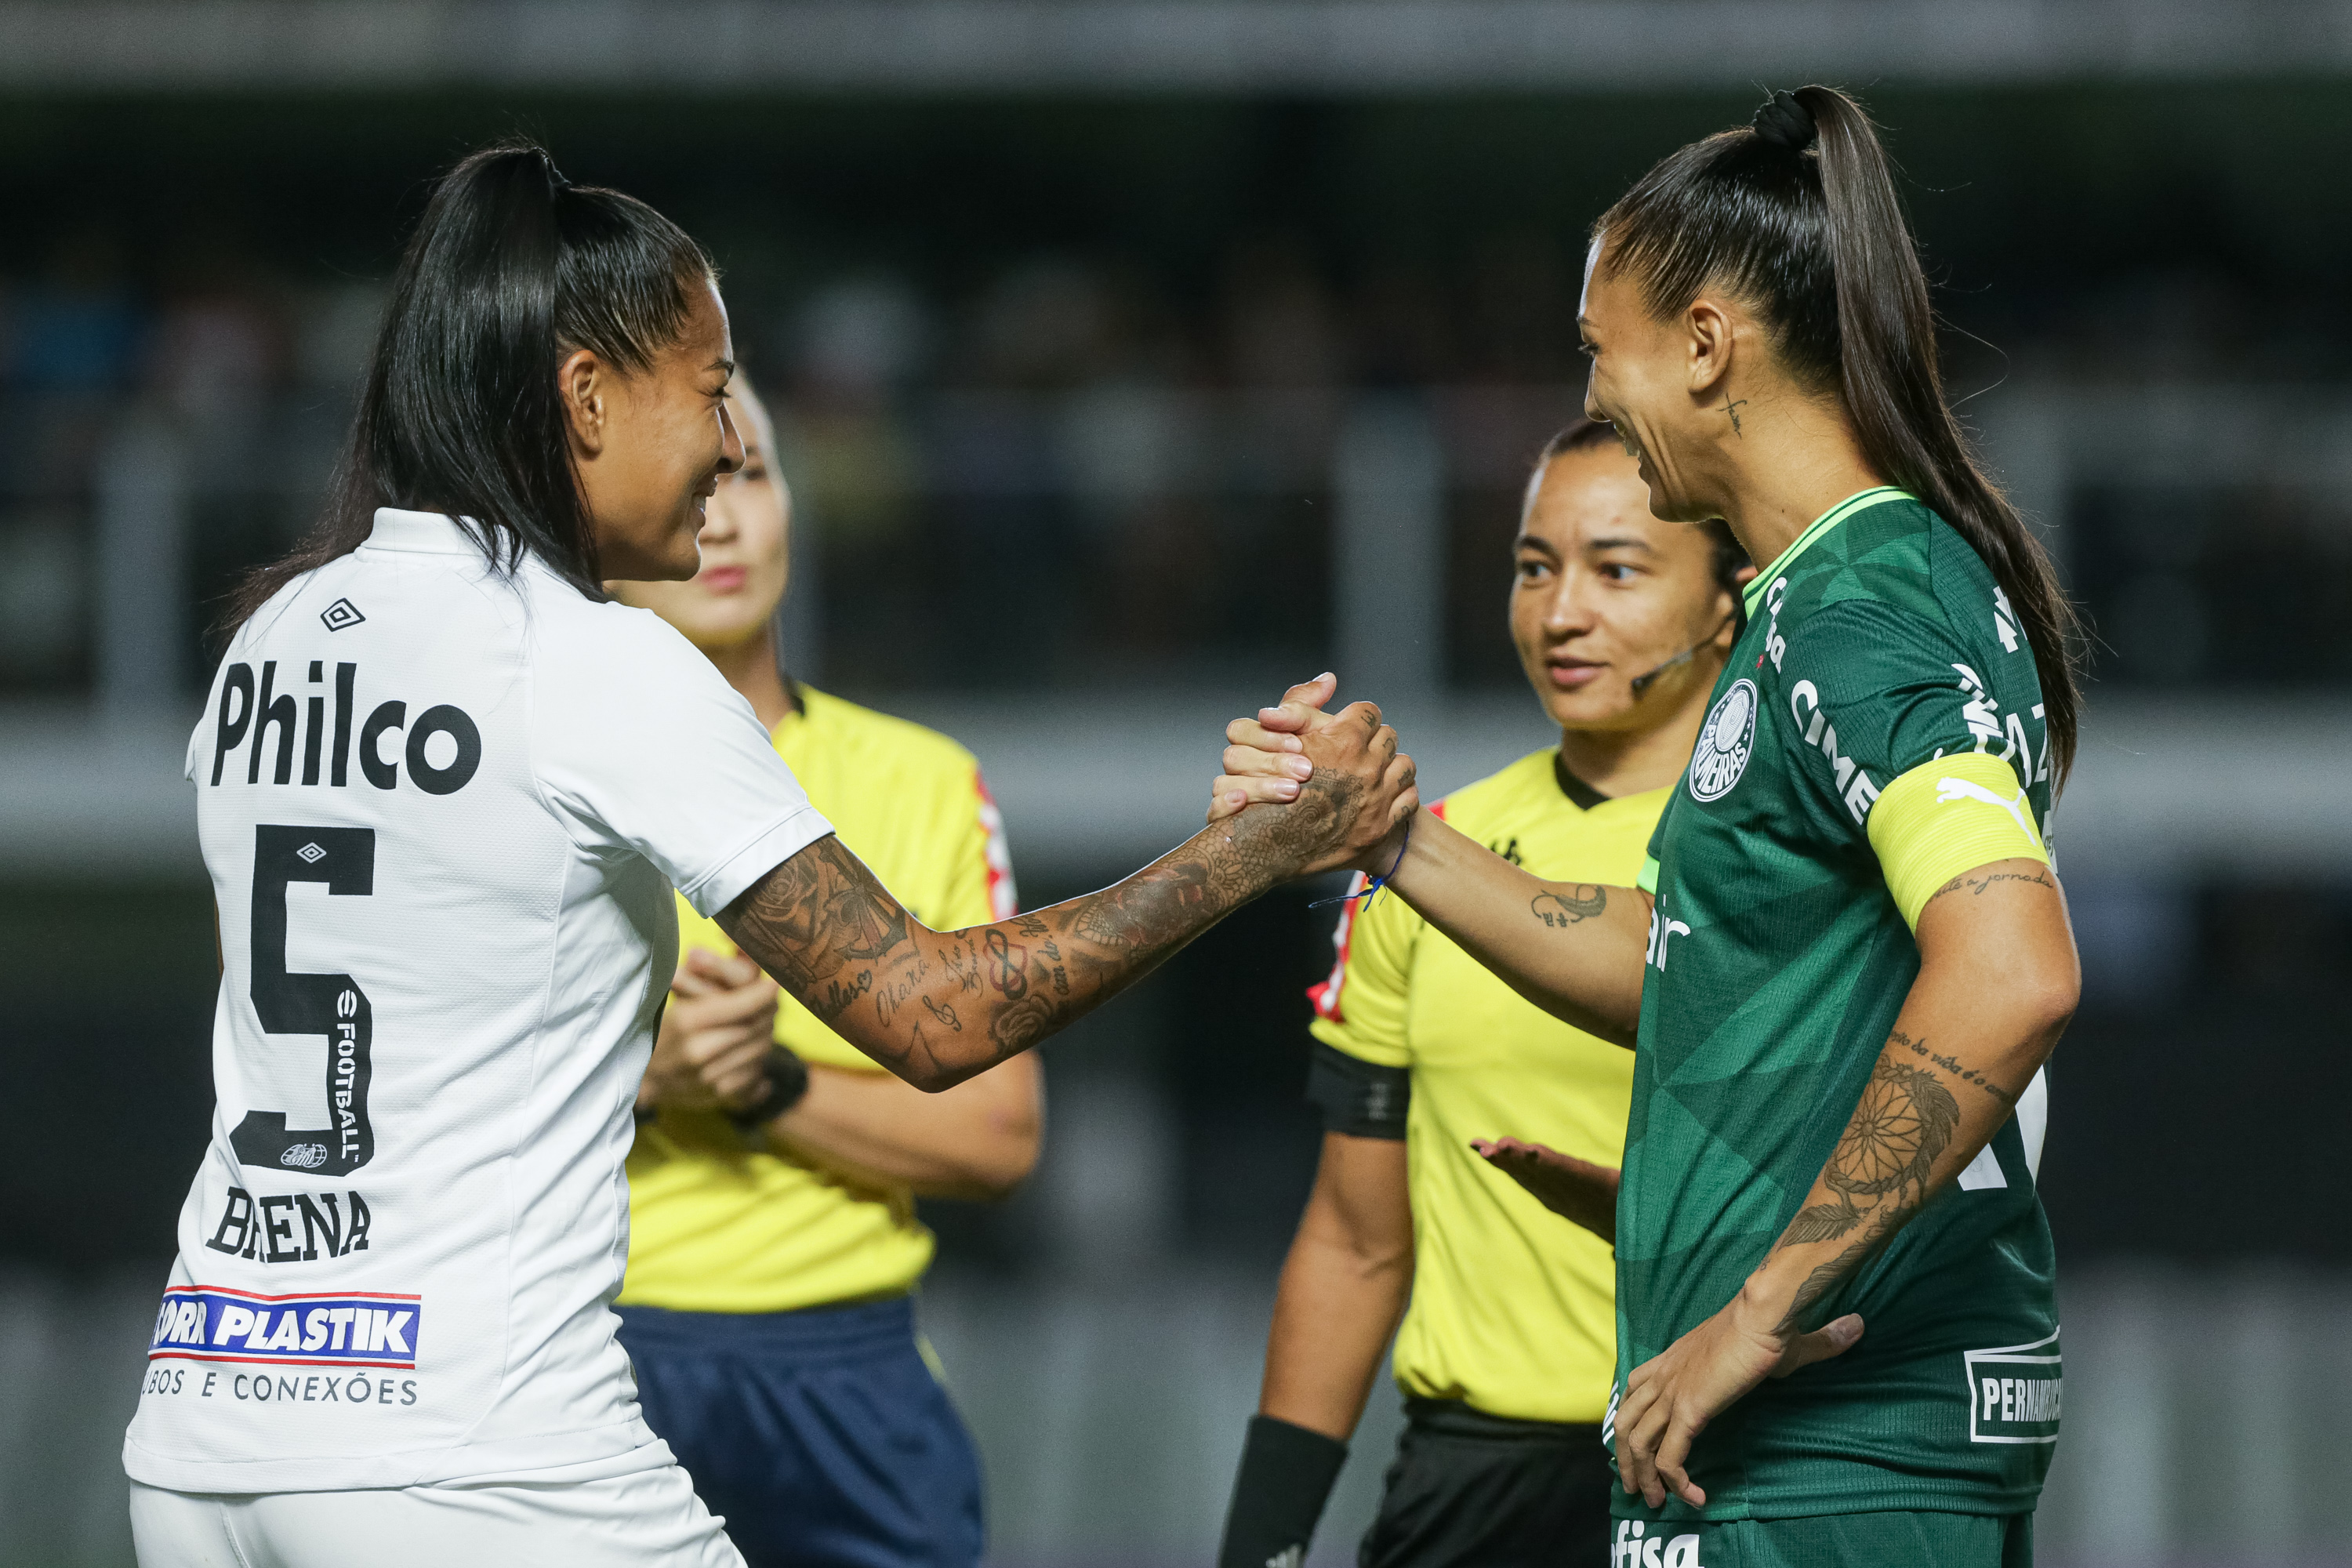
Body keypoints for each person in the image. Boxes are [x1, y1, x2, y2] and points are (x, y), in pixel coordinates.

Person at [125, 140, 1414, 1568]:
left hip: (210, 1427)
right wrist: (1241, 857)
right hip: (468, 1458)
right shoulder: (594, 664)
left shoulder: (277, 636)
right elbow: (931, 1017)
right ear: (589, 397)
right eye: (714, 389)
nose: (731, 443)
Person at [1214, 85, 2082, 1568]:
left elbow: (2014, 970)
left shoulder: (1861, 611)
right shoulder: (1826, 594)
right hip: (1809, 1451)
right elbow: (1708, 964)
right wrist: (1389, 839)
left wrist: (1758, 1301)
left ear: (1701, 344)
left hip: (1830, 1453)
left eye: (1592, 347)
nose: (1589, 388)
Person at [1215, 420, 1750, 1568]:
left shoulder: (1792, 854)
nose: (1561, 613)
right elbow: (1356, 1243)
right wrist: (1261, 1543)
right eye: (1532, 566)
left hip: (1733, 1455)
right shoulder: (1432, 849)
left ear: (1730, 596)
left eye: (1618, 568)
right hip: (1471, 1484)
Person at [610, 368, 1038, 1568]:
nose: (728, 516)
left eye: (748, 472)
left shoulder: (925, 778)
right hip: (588, 1352)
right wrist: (650, 1073)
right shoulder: (533, 786)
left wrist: (766, 1087)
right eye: (689, 484)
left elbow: (1000, 1138)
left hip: (854, 1371)